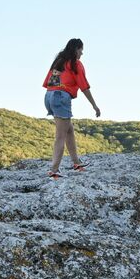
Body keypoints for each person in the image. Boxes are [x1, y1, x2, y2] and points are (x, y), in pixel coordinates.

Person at [42, 38, 100, 178]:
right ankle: (54, 170)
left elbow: (52, 82)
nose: (82, 53)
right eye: (81, 50)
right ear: (76, 49)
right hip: (60, 97)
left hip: (49, 96)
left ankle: (76, 162)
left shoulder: (60, 61)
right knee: (60, 136)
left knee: (69, 129)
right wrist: (94, 106)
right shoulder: (75, 64)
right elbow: (84, 86)